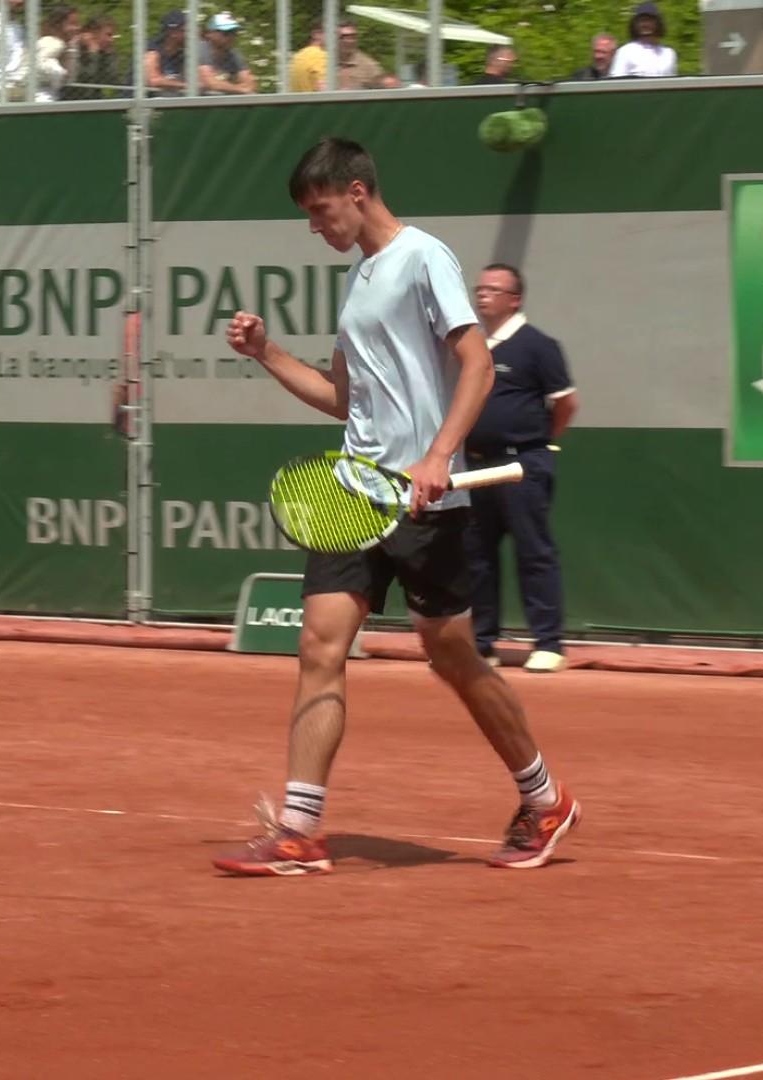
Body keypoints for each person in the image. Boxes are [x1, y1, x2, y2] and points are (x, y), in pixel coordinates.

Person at [213, 138, 579, 876]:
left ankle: (544, 799)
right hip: (356, 494)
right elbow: (343, 402)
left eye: (321, 213)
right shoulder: (359, 285)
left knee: (451, 654)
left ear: (356, 191)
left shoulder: (424, 258)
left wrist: (440, 453)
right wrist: (267, 353)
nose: (317, 229)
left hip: (423, 503)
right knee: (319, 645)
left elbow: (476, 361)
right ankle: (300, 829)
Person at [464, 264, 577, 674]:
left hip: (523, 463)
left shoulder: (539, 346)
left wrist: (541, 443)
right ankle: (481, 643)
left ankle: (549, 644)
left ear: (515, 299)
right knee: (476, 556)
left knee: (534, 553)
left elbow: (565, 404)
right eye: (479, 289)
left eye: (493, 290)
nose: (482, 296)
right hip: (475, 466)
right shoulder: (470, 345)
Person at [609, 3, 677, 78]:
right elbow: (616, 83)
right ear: (635, 24)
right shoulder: (625, 52)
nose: (645, 24)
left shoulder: (668, 54)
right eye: (641, 20)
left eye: (649, 20)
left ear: (657, 23)